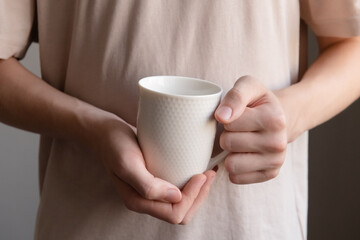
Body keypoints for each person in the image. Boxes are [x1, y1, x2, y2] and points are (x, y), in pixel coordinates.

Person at [0, 1, 359, 239]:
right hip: (85, 224)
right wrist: (95, 128)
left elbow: (351, 42)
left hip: (253, 225)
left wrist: (289, 114)